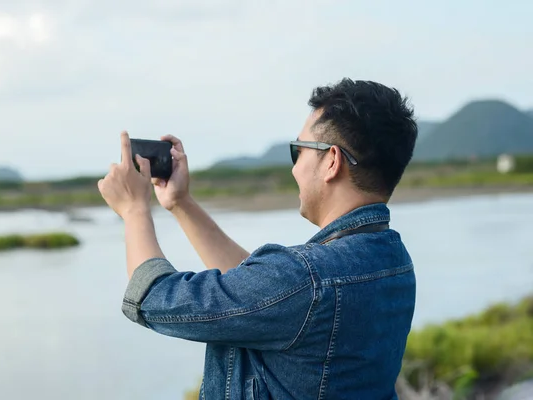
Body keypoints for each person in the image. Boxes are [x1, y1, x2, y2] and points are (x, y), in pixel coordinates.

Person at [97, 78, 418, 399]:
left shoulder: (307, 280)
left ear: (331, 161)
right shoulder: (394, 260)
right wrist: (181, 205)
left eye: (299, 151)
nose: (294, 169)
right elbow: (257, 290)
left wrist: (134, 209)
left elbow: (154, 298)